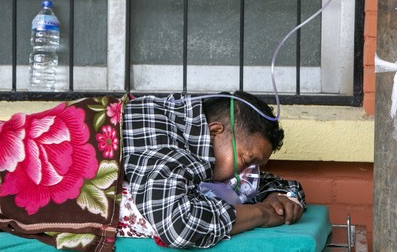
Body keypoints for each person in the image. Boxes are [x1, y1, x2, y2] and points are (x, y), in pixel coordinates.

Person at [122, 90, 307, 248]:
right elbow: (180, 226)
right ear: (215, 132)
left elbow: (277, 183)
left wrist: (278, 195)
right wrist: (262, 214)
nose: (248, 176)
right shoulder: (164, 141)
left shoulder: (190, 132)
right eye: (246, 160)